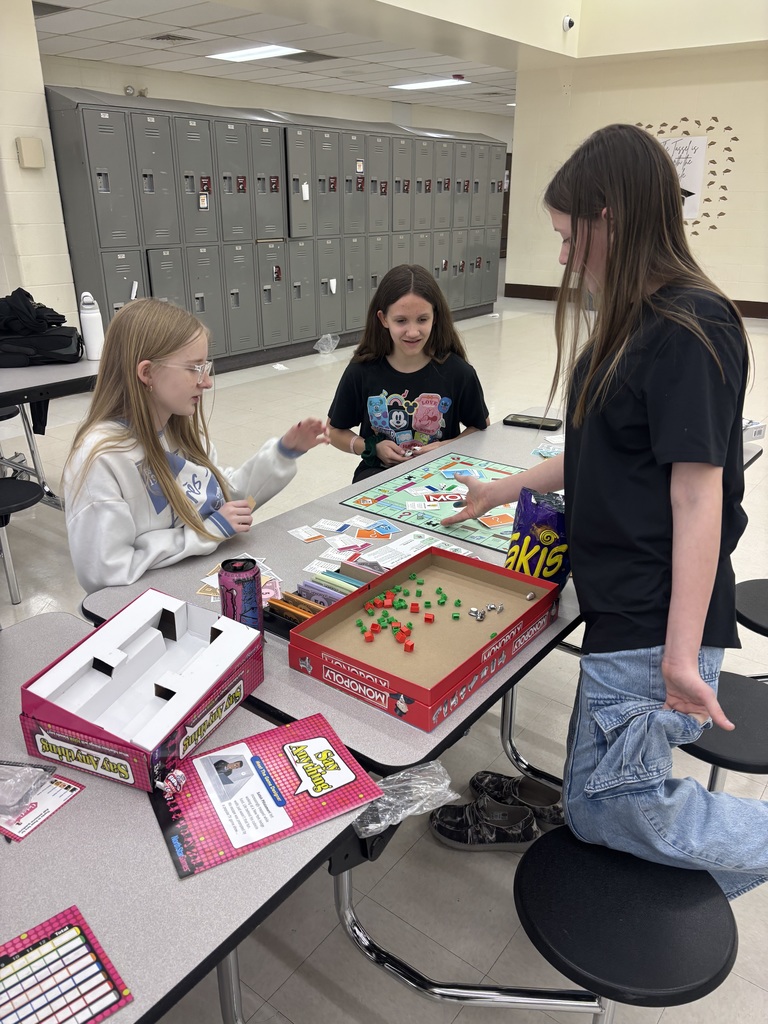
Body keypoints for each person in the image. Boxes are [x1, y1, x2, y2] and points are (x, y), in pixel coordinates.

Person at [430, 123, 768, 899]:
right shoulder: (635, 318)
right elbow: (602, 449)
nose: (561, 256)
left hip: (655, 618)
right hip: (622, 605)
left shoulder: (691, 326)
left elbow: (697, 496)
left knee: (617, 809)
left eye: (566, 234)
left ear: (609, 216)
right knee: (599, 799)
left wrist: (678, 656)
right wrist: (501, 489)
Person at [64, 298, 329, 594]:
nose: (207, 382)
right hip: (150, 600)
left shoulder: (181, 433)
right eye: (194, 368)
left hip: (195, 579)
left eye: (206, 367)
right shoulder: (101, 459)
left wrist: (283, 453)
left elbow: (226, 502)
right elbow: (105, 571)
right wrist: (206, 532)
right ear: (147, 373)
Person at [327, 264, 490, 482]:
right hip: (377, 475)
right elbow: (333, 431)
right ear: (383, 319)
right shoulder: (361, 370)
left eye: (422, 319)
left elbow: (480, 428)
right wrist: (371, 448)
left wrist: (444, 447)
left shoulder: (458, 372)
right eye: (401, 321)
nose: (412, 332)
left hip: (440, 477)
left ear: (435, 317)